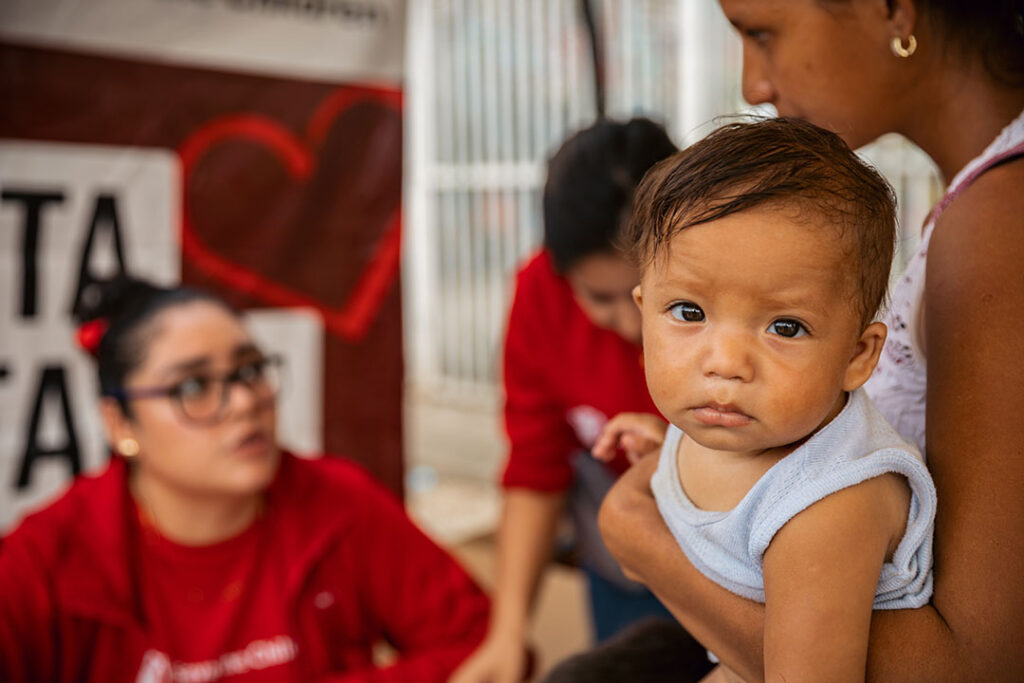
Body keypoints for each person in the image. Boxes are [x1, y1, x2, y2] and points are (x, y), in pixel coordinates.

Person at [596, 0, 1024, 680]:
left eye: (762, 32)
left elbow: (974, 661)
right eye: (687, 312)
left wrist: (644, 536)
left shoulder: (1000, 226)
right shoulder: (976, 203)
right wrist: (688, 467)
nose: (752, 86)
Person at [0, 278, 489, 682]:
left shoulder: (339, 503)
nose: (244, 402)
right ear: (120, 425)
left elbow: (488, 646)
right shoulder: (47, 557)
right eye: (194, 386)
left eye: (250, 369)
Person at [605, 117, 937, 681]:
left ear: (859, 355)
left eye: (785, 327)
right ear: (644, 312)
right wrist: (668, 451)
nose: (726, 363)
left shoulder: (827, 506)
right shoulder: (738, 428)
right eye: (689, 313)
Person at [451, 119, 712, 683]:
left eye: (654, 290)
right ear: (559, 271)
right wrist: (508, 633)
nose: (632, 319)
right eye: (601, 297)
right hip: (623, 576)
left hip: (735, 573)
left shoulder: (731, 303)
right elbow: (534, 468)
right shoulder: (539, 295)